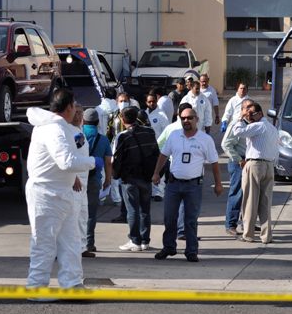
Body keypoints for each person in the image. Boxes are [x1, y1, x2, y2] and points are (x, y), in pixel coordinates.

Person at [25, 89, 102, 291]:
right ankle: (36, 287)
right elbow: (66, 161)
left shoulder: (60, 128)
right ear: (68, 107)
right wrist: (93, 161)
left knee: (72, 242)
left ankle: (73, 284)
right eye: (74, 105)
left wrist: (78, 171)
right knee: (44, 243)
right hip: (47, 194)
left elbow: (61, 160)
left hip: (62, 192)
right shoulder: (54, 129)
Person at [152, 107, 223, 262]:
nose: (186, 121)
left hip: (193, 186)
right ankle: (169, 247)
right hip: (173, 184)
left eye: (190, 118)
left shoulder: (205, 139)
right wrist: (156, 173)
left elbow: (214, 163)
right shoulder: (174, 135)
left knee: (190, 220)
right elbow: (163, 155)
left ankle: (191, 251)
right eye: (183, 118)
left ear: (196, 119)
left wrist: (218, 184)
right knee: (169, 218)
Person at [112, 107, 160, 252]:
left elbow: (117, 159)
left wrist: (116, 175)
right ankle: (145, 240)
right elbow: (156, 153)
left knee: (132, 210)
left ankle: (135, 240)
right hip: (146, 177)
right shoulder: (149, 132)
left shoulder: (122, 136)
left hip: (130, 179)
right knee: (145, 210)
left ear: (122, 119)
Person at [232, 102, 279, 244]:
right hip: (269, 165)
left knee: (250, 201)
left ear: (260, 114)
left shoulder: (258, 126)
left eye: (252, 114)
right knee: (265, 203)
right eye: (248, 114)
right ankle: (266, 236)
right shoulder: (272, 128)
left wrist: (240, 117)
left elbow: (237, 132)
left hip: (255, 164)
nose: (249, 116)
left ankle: (248, 234)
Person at [221, 98, 255, 236]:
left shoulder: (253, 124)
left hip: (250, 162)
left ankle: (247, 222)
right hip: (238, 163)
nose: (250, 111)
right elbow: (226, 144)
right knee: (237, 193)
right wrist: (239, 159)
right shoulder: (236, 124)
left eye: (252, 108)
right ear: (241, 110)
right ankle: (231, 224)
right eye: (247, 108)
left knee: (250, 194)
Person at [82, 108, 113, 256]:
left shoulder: (78, 135)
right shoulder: (104, 139)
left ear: (83, 120)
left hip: (76, 179)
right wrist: (108, 178)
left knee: (74, 213)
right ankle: (89, 243)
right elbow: (108, 162)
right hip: (94, 180)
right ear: (97, 122)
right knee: (90, 214)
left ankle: (75, 243)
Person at [71, 103, 92, 258]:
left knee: (83, 215)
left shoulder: (81, 133)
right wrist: (73, 177)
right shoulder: (69, 133)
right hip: (74, 181)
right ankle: (69, 248)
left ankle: (83, 247)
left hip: (84, 181)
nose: (78, 116)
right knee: (72, 216)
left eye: (80, 113)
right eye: (75, 112)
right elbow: (67, 158)